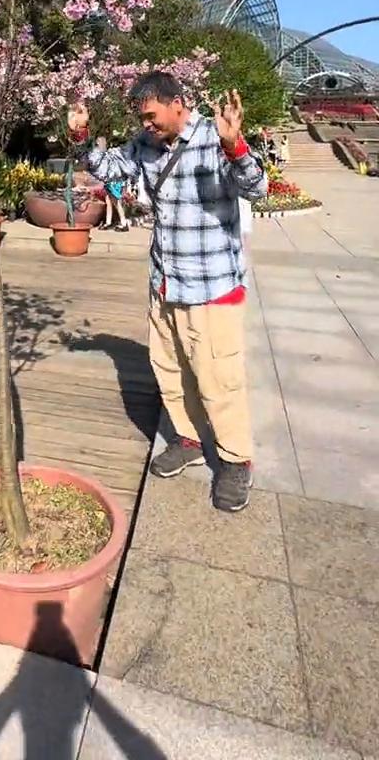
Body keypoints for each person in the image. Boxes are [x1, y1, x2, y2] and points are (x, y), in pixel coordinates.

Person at [68, 72, 267, 513]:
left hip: (211, 285)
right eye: (142, 118)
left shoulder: (215, 137)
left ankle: (236, 461)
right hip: (165, 280)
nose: (146, 125)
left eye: (151, 116)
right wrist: (81, 136)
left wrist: (235, 146)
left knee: (218, 378)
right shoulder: (146, 143)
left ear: (178, 103)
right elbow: (110, 167)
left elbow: (257, 189)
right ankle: (188, 438)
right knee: (169, 368)